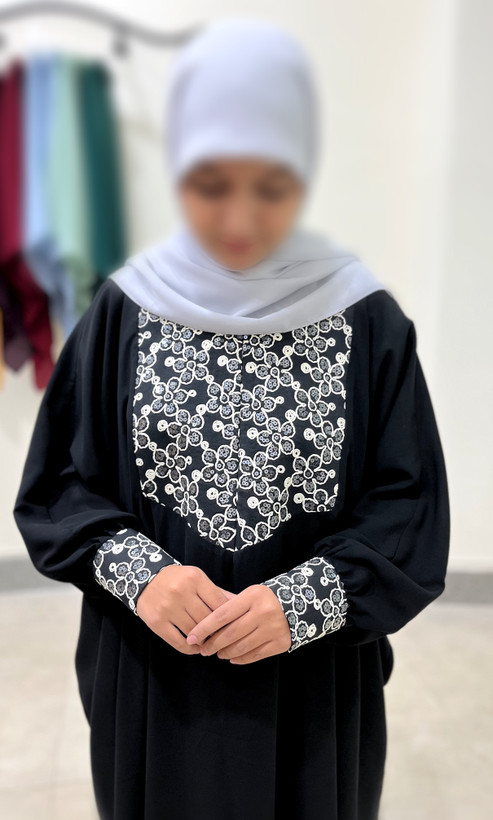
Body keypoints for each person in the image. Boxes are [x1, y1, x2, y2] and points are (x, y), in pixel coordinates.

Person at [12, 16, 450, 820]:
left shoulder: (365, 320)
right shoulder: (123, 310)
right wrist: (141, 574)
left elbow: (408, 507)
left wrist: (309, 599)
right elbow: (58, 489)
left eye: (271, 187)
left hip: (312, 692)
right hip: (154, 687)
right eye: (210, 185)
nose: (240, 219)